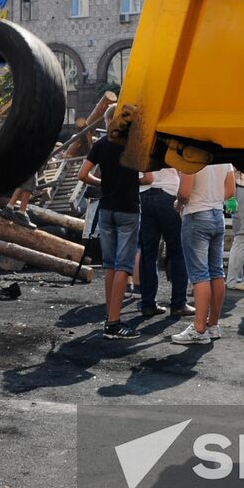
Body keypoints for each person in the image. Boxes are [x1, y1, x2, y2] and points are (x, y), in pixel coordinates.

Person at [79, 110, 151, 339]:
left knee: (110, 264)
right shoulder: (135, 145)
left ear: (108, 122)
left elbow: (83, 175)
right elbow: (149, 179)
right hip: (128, 208)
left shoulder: (100, 144)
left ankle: (110, 315)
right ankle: (114, 322)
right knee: (123, 265)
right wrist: (132, 180)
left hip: (106, 207)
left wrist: (103, 182)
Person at [171, 163, 235, 345]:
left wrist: (178, 204)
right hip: (217, 214)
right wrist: (213, 199)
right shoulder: (223, 158)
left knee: (200, 274)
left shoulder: (192, 157)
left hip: (196, 214)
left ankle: (199, 329)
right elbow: (230, 190)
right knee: (216, 272)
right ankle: (212, 325)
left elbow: (184, 192)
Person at [137, 166, 192, 317]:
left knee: (148, 253)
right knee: (177, 251)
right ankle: (179, 304)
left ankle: (148, 303)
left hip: (144, 194)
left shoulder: (140, 142)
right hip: (169, 193)